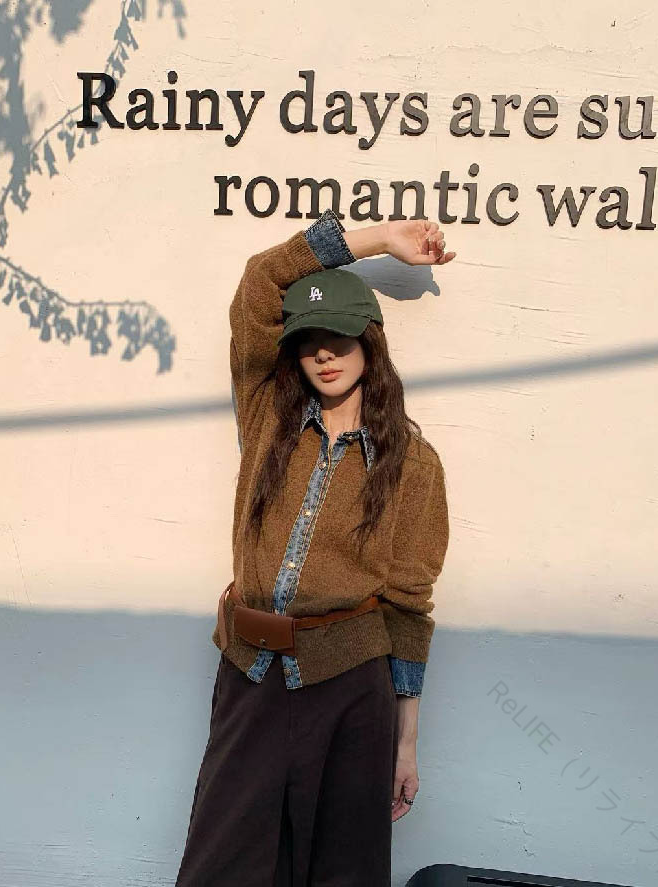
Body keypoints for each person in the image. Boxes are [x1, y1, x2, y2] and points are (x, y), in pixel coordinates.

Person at [175, 208, 455, 887]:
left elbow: (408, 607)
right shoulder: (267, 415)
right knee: (224, 866)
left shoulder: (412, 463)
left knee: (341, 872)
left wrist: (406, 742)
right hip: (250, 674)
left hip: (351, 689)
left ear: (370, 343)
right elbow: (260, 281)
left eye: (340, 336)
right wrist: (379, 239)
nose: (325, 353)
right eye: (309, 340)